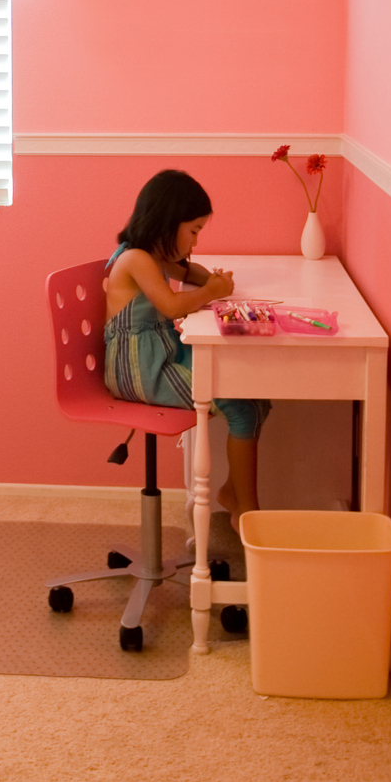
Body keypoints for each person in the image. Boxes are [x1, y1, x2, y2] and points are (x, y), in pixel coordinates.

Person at [103, 169, 272, 522]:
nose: (195, 242)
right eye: (193, 231)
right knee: (238, 403)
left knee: (253, 391)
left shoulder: (156, 257)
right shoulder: (135, 260)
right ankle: (246, 509)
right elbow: (172, 305)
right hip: (139, 371)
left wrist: (214, 280)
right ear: (167, 223)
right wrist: (213, 291)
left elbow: (191, 273)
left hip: (160, 356)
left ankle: (234, 493)